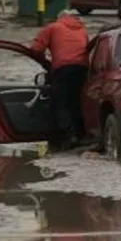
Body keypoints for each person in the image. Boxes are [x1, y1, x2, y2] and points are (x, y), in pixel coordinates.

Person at [31, 9, 89, 144]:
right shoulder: (83, 30)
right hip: (82, 69)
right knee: (77, 102)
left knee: (60, 102)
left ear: (59, 18)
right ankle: (81, 133)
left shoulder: (53, 27)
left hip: (62, 69)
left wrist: (46, 64)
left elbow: (35, 49)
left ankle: (68, 135)